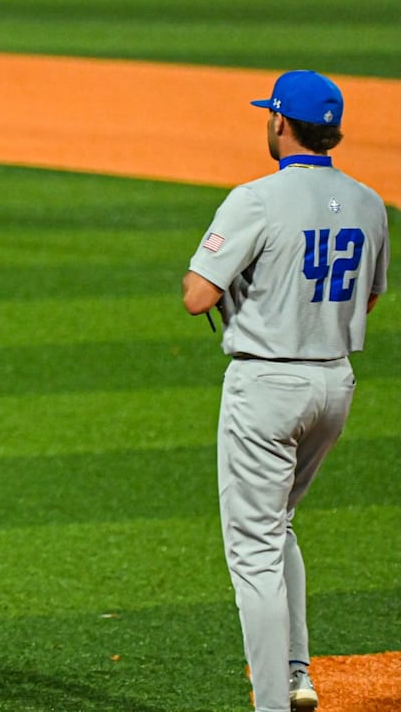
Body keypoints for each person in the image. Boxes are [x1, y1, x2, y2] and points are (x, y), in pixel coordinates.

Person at [182, 70, 389, 712]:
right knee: (280, 525)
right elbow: (369, 296)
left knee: (253, 553)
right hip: (334, 384)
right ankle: (298, 673)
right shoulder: (369, 202)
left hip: (267, 386)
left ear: (279, 122)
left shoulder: (255, 199)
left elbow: (197, 296)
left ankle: (272, 704)